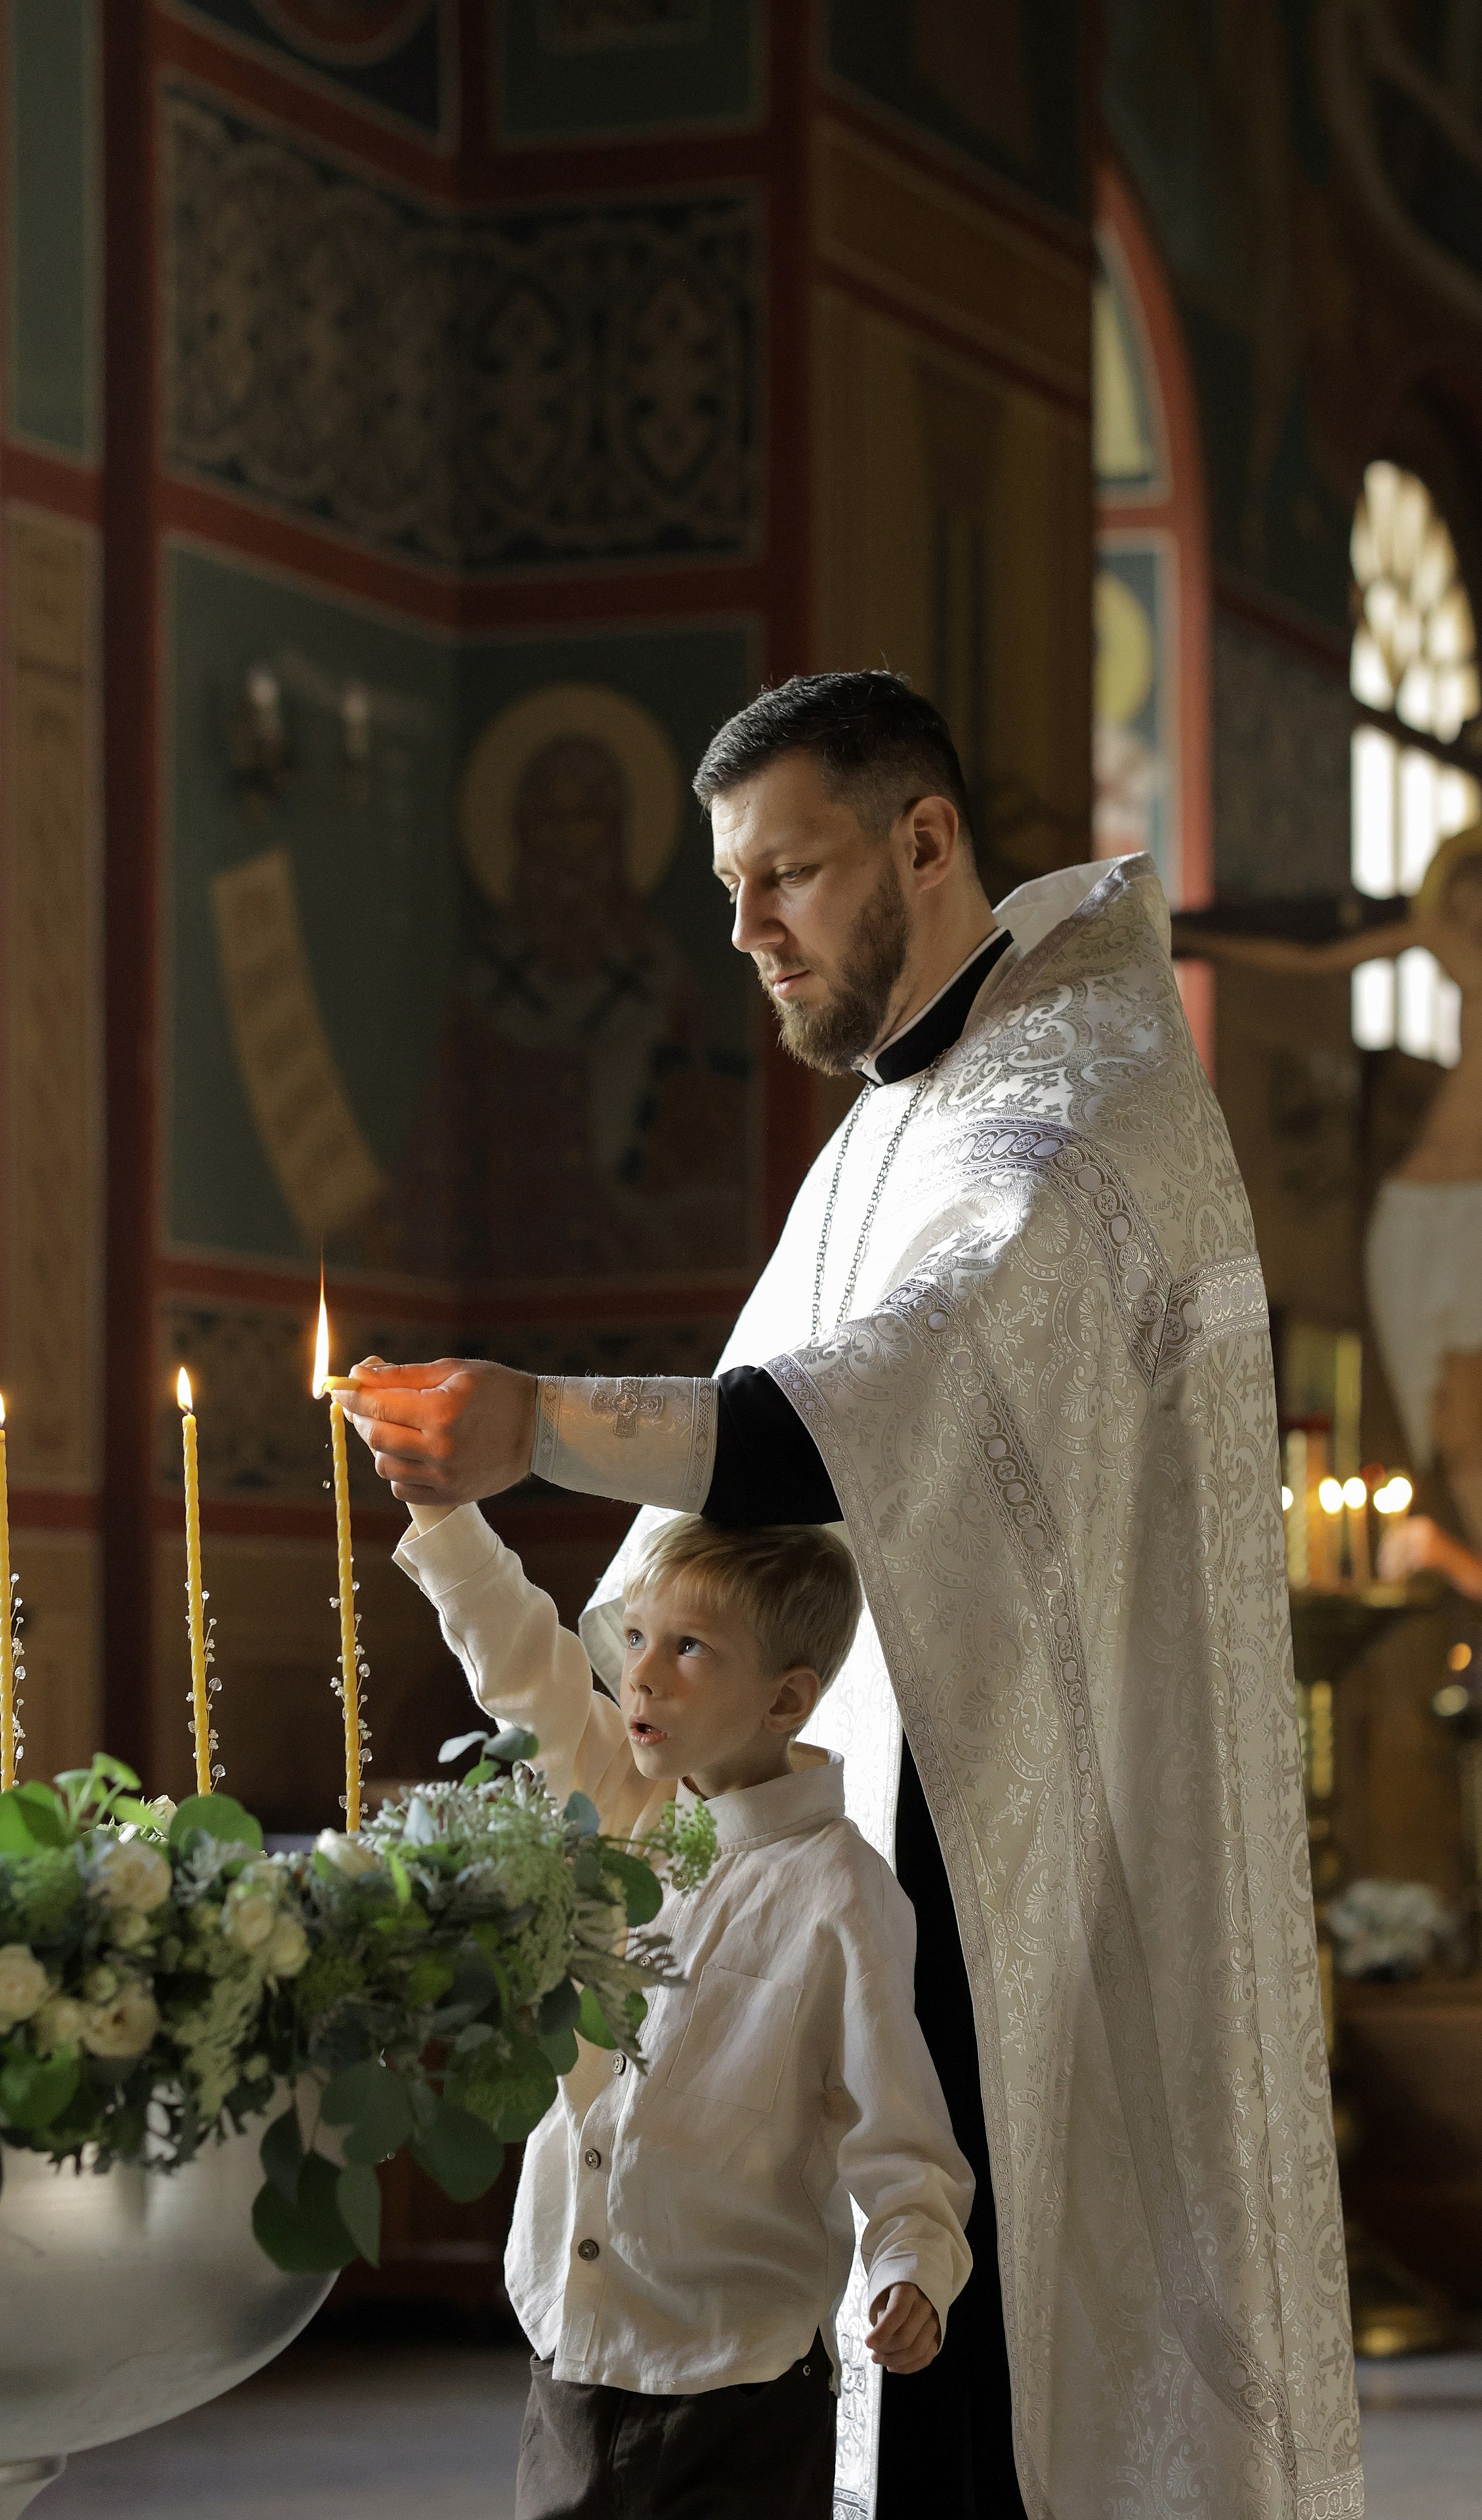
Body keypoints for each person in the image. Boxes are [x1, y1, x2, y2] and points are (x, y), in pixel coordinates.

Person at [345, 671, 1361, 2519]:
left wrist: (538, 1426)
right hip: (891, 1806)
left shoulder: (1072, 1104)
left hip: (1037, 1854)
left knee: (999, 2384)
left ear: (926, 839)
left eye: (788, 877)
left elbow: (846, 1427)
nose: (748, 934)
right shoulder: (909, 1107)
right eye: (730, 894)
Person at [392, 1502, 973, 2520]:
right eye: (638, 1638)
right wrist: (441, 1512)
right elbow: (525, 1660)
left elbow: (901, 2134)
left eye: (690, 1647)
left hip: (738, 2389)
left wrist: (911, 2266)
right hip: (571, 2359)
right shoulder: (619, 1801)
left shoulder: (842, 1894)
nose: (644, 1673)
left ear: (786, 1697)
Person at [1175, 826, 1482, 1577]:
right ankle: (1450, 1559)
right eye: (1463, 910)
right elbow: (1311, 954)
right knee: (1446, 1427)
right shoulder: (1449, 948)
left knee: (1465, 1417)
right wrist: (1183, 937)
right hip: (1414, 1217)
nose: (1467, 929)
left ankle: (1452, 1561)